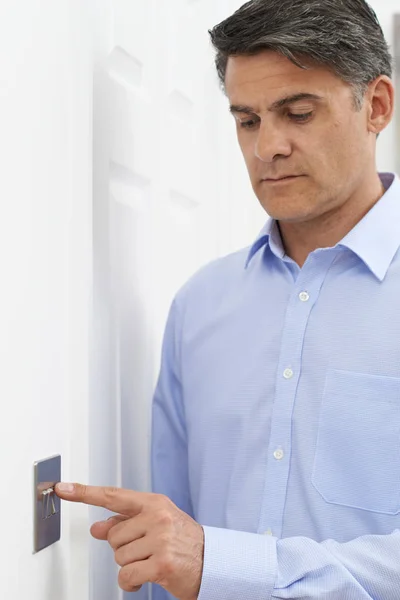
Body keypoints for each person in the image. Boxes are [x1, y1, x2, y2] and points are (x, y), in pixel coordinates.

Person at [56, 0, 400, 598]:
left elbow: (198, 555)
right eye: (247, 120)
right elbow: (164, 547)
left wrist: (223, 562)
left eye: (297, 113)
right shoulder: (199, 307)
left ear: (375, 107)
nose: (269, 146)